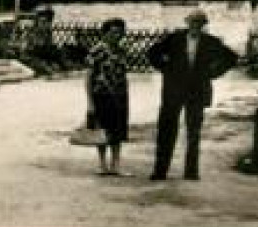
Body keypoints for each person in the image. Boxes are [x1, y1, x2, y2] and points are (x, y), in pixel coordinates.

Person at [145, 9, 238, 181]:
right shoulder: (174, 39)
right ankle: (160, 171)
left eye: (200, 22)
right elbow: (152, 53)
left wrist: (213, 73)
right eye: (193, 22)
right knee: (166, 130)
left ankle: (191, 172)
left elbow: (231, 58)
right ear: (187, 23)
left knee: (193, 132)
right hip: (173, 91)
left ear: (203, 25)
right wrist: (165, 69)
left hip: (197, 92)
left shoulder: (211, 42)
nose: (196, 25)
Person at [84, 18, 130, 175]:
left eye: (119, 32)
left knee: (118, 130)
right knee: (102, 130)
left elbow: (123, 74)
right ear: (105, 33)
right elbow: (89, 77)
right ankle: (102, 165)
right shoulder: (97, 51)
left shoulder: (122, 51)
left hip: (120, 95)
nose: (116, 36)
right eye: (113, 32)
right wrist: (90, 102)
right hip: (101, 95)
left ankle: (116, 165)